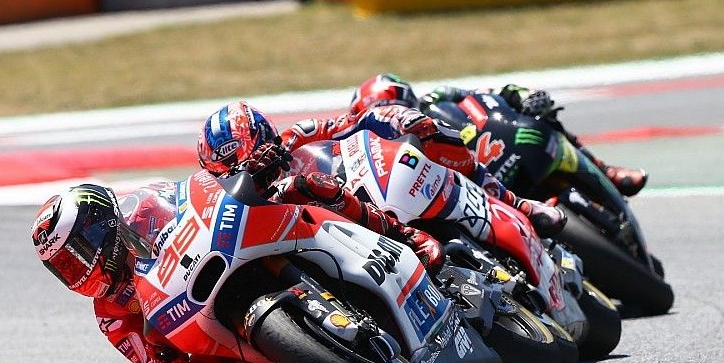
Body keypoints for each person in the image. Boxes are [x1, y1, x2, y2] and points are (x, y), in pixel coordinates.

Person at [31, 183, 296, 363]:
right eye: (64, 268)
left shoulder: (144, 207)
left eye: (76, 256)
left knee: (294, 189)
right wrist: (165, 362)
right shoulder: (110, 315)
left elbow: (205, 192)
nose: (75, 272)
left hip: (222, 252)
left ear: (100, 228)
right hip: (207, 320)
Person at [271, 74, 566, 238]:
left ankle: (520, 205)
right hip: (370, 204)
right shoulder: (269, 182)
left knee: (453, 156)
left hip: (417, 171)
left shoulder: (298, 136)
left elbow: (313, 130)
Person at [197, 101, 443, 269]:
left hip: (361, 210)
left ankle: (407, 237)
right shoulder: (218, 201)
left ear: (264, 136)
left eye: (243, 159)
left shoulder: (297, 137)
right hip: (282, 246)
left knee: (303, 185)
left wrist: (402, 117)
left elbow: (357, 121)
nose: (238, 171)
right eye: (225, 170)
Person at [425, 84, 648, 197]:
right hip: (466, 185)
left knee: (537, 115)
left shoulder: (437, 98)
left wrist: (523, 97)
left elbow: (489, 93)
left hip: (500, 146)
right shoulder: (393, 148)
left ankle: (603, 169)